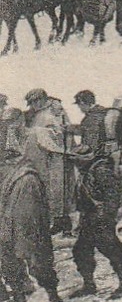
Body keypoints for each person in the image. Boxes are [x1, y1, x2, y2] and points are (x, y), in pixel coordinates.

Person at [0, 142, 61, 302]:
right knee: (9, 264)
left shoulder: (27, 179)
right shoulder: (8, 179)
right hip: (9, 230)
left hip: (29, 231)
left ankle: (53, 297)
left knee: (39, 265)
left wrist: (23, 235)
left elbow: (30, 212)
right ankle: (19, 298)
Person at [68, 145, 122, 299]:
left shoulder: (100, 170)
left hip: (101, 217)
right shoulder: (86, 171)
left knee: (111, 249)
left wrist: (106, 217)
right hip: (90, 217)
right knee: (81, 250)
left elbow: (113, 195)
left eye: (76, 160)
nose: (75, 163)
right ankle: (89, 284)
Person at [19, 91, 71, 237]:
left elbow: (60, 132)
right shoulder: (37, 113)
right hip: (42, 156)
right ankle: (55, 221)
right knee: (47, 189)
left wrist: (37, 132)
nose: (33, 106)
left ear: (41, 100)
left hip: (55, 157)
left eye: (35, 102)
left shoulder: (55, 110)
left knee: (59, 190)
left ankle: (64, 224)